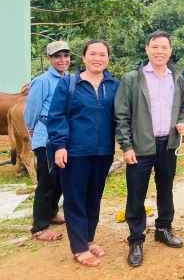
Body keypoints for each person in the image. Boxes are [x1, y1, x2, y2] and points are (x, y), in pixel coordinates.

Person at [115, 31, 184, 267]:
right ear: (147, 49)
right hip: (140, 147)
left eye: (164, 47)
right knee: (136, 194)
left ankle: (164, 228)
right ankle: (136, 239)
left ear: (170, 50)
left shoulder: (175, 77)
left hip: (167, 145)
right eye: (155, 47)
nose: (160, 51)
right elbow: (122, 115)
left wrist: (182, 122)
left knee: (166, 189)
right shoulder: (132, 78)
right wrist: (126, 145)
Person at [47, 40, 119, 267]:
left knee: (93, 197)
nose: (97, 58)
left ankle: (88, 238)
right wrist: (60, 145)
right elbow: (57, 116)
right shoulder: (69, 84)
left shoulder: (114, 84)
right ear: (84, 57)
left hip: (104, 151)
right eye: (93, 54)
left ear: (108, 58)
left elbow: (122, 117)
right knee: (75, 199)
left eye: (102, 54)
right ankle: (79, 248)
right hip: (74, 152)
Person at [24, 40, 70, 242]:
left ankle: (51, 212)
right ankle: (39, 227)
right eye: (57, 56)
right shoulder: (42, 81)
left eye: (65, 56)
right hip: (46, 137)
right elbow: (31, 109)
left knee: (60, 179)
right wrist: (33, 128)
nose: (62, 60)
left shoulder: (69, 79)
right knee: (47, 181)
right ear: (49, 59)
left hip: (64, 137)